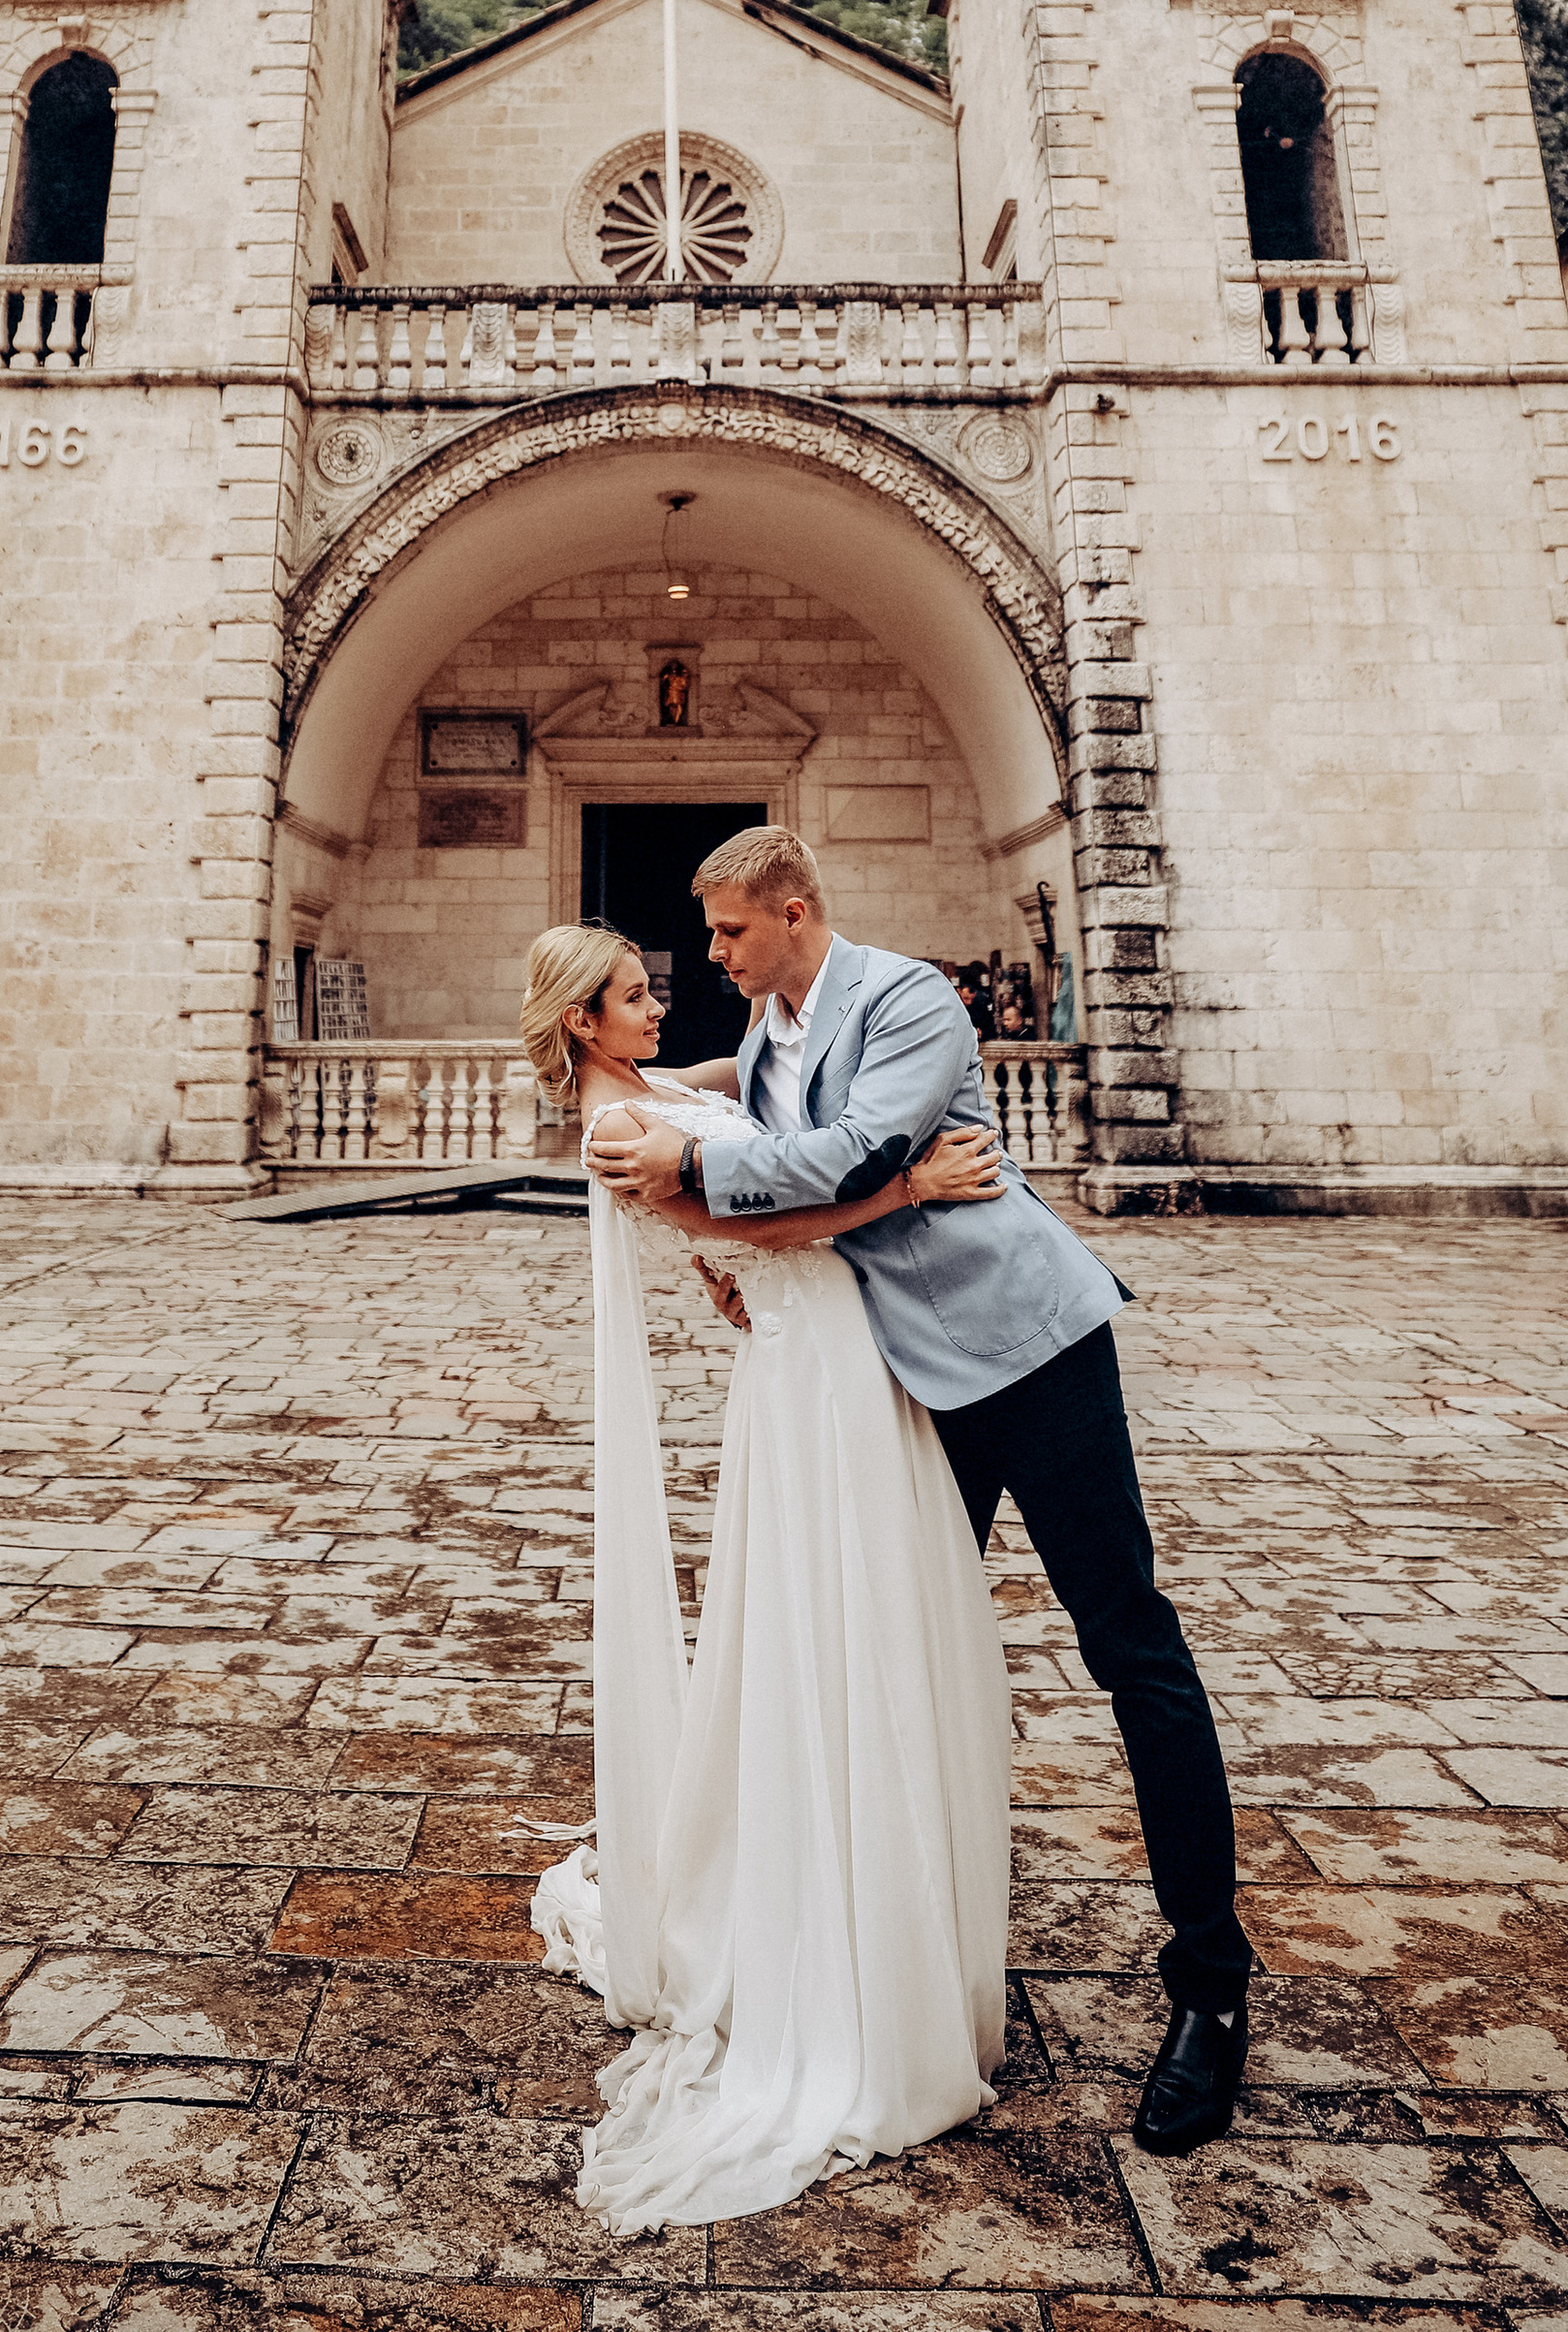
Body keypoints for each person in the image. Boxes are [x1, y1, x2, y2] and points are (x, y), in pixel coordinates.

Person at [585, 824, 1255, 2161]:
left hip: (1027, 1353)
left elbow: (852, 1154)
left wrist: (694, 1171)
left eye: (727, 933)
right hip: (901, 1386)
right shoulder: (771, 1031)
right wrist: (631, 1111)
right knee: (894, 1655)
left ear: (790, 910)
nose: (710, 958)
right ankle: (903, 1958)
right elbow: (760, 1118)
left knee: (1131, 1644)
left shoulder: (910, 1000)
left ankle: (1214, 1991)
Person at [523, 918, 1012, 2229]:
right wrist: (908, 1191)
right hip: (815, 1366)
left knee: (871, 1620)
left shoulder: (650, 1094)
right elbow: (777, 1215)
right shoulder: (620, 1129)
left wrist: (795, 1025)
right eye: (633, 995)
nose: (656, 1002)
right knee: (836, 1624)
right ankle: (840, 1930)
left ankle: (867, 1884)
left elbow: (734, 1109)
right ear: (586, 1022)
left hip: (821, 1356)